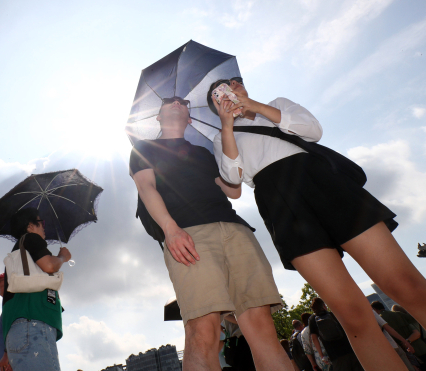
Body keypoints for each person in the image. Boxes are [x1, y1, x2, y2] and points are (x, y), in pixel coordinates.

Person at [210, 76, 426, 371]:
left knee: (406, 285)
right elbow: (233, 178)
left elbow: (312, 131)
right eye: (219, 92)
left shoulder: (276, 105)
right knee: (351, 314)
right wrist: (226, 127)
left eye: (234, 83)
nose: (230, 90)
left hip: (321, 183)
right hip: (279, 204)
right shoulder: (221, 137)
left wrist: (254, 107)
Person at [130, 96, 292, 371]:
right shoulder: (144, 148)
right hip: (189, 234)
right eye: (169, 101)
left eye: (183, 102)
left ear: (189, 118)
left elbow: (233, 190)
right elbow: (147, 188)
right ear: (158, 117)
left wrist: (227, 128)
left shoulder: (204, 153)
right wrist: (171, 229)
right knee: (202, 329)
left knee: (262, 326)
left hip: (235, 230)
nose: (177, 102)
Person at [2, 207, 71, 371]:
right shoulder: (31, 239)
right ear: (30, 226)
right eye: (41, 223)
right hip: (33, 325)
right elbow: (48, 265)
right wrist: (63, 257)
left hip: (20, 330)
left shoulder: (19, 257)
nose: (44, 227)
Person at [309, 298, 363, 371]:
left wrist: (322, 355)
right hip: (350, 349)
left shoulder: (312, 319)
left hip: (335, 355)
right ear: (324, 305)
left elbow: (314, 338)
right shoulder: (333, 314)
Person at [0, 273, 12, 371]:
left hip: (12, 363)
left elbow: (16, 332)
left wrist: (8, 357)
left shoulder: (13, 305)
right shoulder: (6, 308)